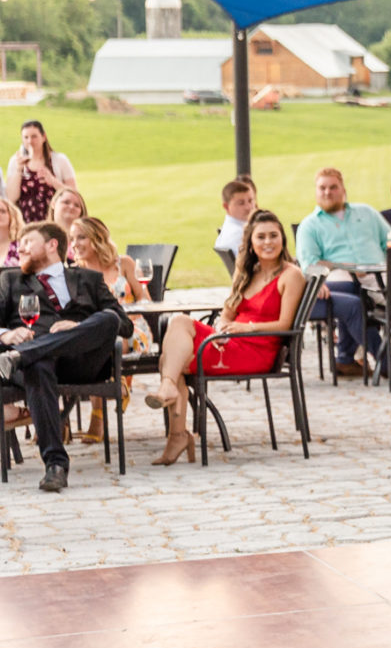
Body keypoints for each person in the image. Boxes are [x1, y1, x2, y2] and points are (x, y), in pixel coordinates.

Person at [0, 221, 135, 492]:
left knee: (107, 318)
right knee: (38, 364)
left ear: (51, 245)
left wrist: (79, 328)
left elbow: (124, 325)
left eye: (27, 242)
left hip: (81, 363)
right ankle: (56, 465)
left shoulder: (88, 279)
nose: (20, 248)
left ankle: (22, 356)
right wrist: (6, 336)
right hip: (37, 367)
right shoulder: (11, 281)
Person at [146, 210, 306, 466]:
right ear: (251, 242)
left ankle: (176, 429)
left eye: (274, 236)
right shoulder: (247, 272)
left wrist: (248, 328)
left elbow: (285, 323)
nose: (268, 242)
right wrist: (222, 329)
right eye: (261, 237)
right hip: (229, 343)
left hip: (257, 350)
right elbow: (226, 314)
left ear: (283, 239)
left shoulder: (291, 275)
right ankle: (173, 414)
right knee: (178, 323)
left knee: (169, 360)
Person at [297, 167, 391, 380]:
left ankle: (346, 359)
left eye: (333, 187)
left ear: (343, 190)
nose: (328, 192)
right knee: (354, 293)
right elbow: (310, 264)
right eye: (322, 188)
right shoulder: (309, 226)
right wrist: (343, 265)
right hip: (338, 276)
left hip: (378, 273)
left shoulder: (365, 213)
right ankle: (387, 362)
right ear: (316, 192)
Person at [66, 215, 152, 435]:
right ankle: (116, 381)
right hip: (99, 333)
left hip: (133, 328)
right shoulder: (75, 272)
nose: (75, 244)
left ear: (97, 238)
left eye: (81, 237)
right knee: (102, 338)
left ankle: (100, 415)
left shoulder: (124, 263)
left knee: (111, 337)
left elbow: (146, 301)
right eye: (72, 239)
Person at [4, 119, 78, 224]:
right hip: (26, 224)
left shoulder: (60, 160)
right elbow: (11, 198)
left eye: (34, 136)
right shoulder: (15, 161)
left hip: (54, 222)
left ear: (43, 137)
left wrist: (52, 181)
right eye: (26, 137)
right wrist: (19, 170)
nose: (30, 141)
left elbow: (74, 195)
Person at [215, 176, 257, 255]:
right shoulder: (239, 234)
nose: (249, 207)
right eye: (241, 203)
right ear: (226, 207)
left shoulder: (229, 229)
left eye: (250, 201)